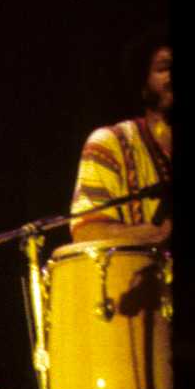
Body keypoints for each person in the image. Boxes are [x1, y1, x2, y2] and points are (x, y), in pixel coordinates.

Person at [70, 33, 170, 244]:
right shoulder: (111, 143)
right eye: (165, 68)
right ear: (143, 87)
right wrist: (158, 233)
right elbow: (88, 230)